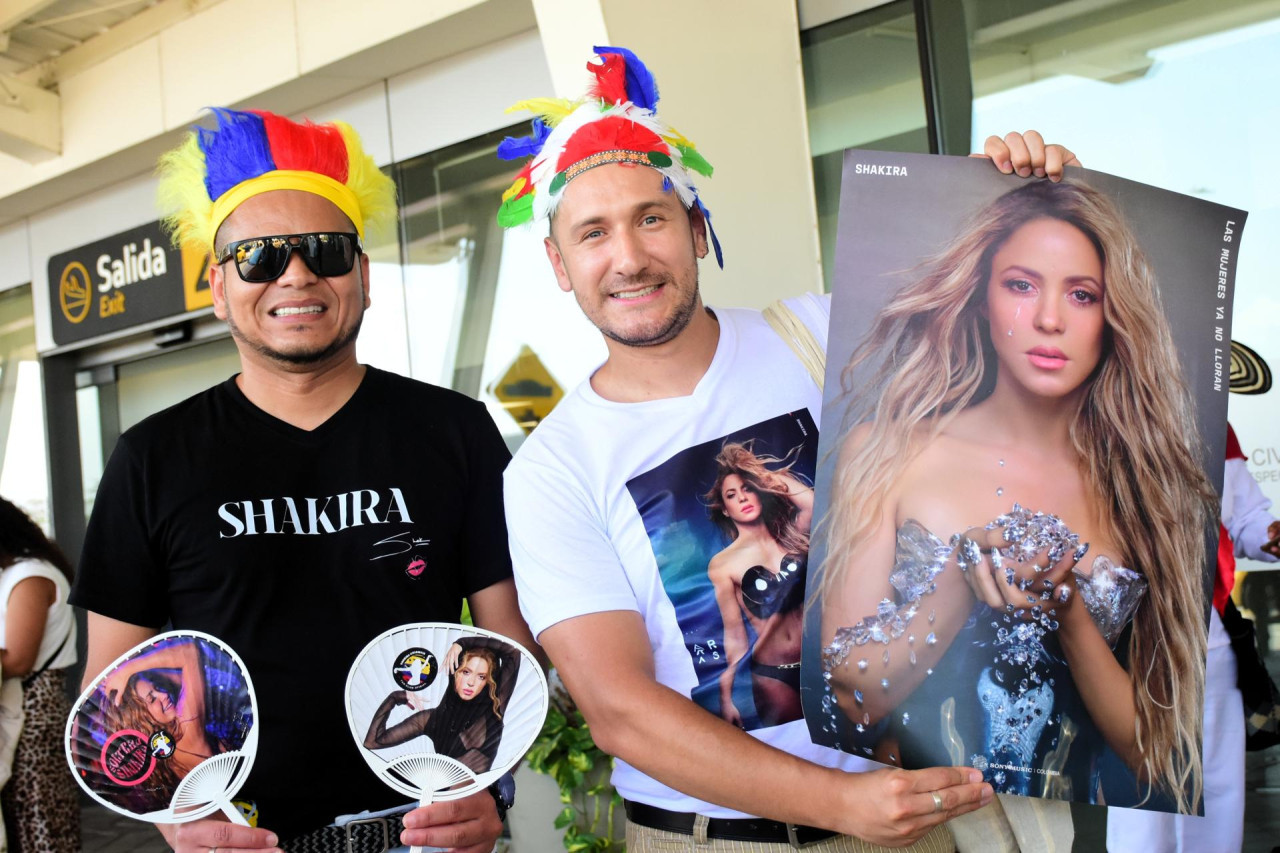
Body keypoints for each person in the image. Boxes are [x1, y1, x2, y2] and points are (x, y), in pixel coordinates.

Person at [499, 45, 1075, 850]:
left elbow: (1005, 332)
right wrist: (838, 806)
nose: (627, 257)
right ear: (559, 264)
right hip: (710, 838)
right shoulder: (551, 471)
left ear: (697, 230)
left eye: (652, 218)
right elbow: (619, 707)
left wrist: (1019, 193)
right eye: (592, 233)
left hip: (914, 808)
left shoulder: (825, 334)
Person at [70, 107, 539, 853]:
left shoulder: (454, 430)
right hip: (246, 839)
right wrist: (175, 816)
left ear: (362, 275)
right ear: (219, 289)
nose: (296, 273)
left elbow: (508, 636)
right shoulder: (151, 458)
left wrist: (492, 780)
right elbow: (109, 687)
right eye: (259, 256)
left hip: (427, 832)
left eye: (324, 250)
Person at [817, 179, 1214, 817]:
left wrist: (1070, 609)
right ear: (980, 297)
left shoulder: (1146, 486)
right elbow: (854, 698)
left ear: (1113, 317)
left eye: (1082, 295)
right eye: (1022, 285)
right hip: (925, 831)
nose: (1049, 319)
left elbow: (1156, 758)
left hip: (1072, 832)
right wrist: (958, 578)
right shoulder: (887, 450)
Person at [1107, 417, 1279, 851]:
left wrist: (1270, 537)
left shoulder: (1209, 419)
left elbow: (1247, 520)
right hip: (1129, 639)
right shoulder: (1096, 407)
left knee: (1217, 790)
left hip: (1209, 637)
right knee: (1141, 801)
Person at [704, 442, 812, 727]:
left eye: (747, 489)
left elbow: (812, 502)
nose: (742, 498)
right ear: (725, 510)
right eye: (731, 495)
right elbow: (735, 636)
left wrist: (760, 475)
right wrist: (726, 698)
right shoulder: (723, 564)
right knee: (802, 755)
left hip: (826, 660)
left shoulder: (793, 537)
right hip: (774, 675)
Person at [0, 496, 79, 853]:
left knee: (40, 822)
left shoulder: (31, 575)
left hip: (35, 712)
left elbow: (17, 660)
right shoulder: (16, 573)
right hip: (23, 707)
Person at [364, 637, 519, 775]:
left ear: (487, 682)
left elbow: (513, 652)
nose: (471, 682)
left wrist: (462, 643)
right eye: (466, 672)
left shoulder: (494, 709)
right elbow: (373, 742)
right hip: (436, 799)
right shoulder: (432, 718)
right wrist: (395, 697)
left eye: (481, 677)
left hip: (473, 802)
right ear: (454, 672)